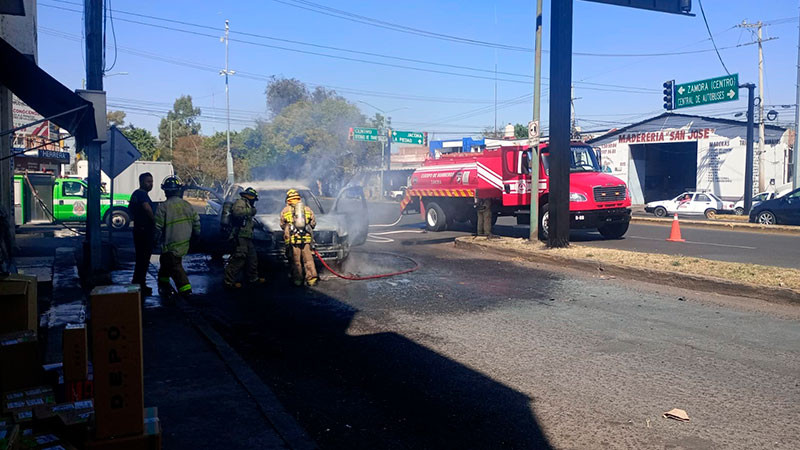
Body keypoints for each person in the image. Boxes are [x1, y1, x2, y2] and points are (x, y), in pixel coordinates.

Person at [154, 176, 200, 298]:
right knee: (165, 262)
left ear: (165, 191)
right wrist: (196, 237)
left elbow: (157, 228)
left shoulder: (163, 207)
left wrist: (153, 241)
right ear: (178, 190)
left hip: (170, 243)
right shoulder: (187, 205)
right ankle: (163, 285)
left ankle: (186, 290)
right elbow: (197, 223)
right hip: (184, 242)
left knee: (175, 267)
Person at [224, 187, 264, 289]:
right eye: (254, 199)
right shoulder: (240, 202)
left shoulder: (246, 204)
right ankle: (229, 282)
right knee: (239, 258)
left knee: (252, 258)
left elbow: (247, 221)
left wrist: (257, 225)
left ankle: (253, 278)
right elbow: (237, 213)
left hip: (247, 236)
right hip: (240, 236)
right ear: (250, 197)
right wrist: (251, 211)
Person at [280, 189, 318, 286]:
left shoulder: (285, 210)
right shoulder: (307, 209)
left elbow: (282, 224)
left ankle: (297, 280)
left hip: (293, 241)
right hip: (306, 241)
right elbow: (313, 223)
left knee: (296, 261)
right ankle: (311, 279)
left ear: (288, 200)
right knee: (309, 260)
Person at [129, 172, 155, 296]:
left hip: (139, 229)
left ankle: (138, 282)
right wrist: (155, 220)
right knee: (144, 259)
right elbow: (146, 208)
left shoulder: (135, 194)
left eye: (152, 181)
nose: (151, 184)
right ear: (141, 182)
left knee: (141, 259)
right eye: (148, 182)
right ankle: (140, 284)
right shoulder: (142, 194)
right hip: (144, 231)